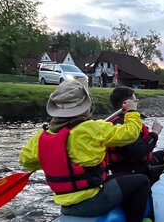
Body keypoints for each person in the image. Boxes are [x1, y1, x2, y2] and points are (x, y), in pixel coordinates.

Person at [19, 80, 150, 222]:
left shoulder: (42, 136)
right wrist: (131, 112)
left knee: (122, 176)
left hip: (66, 205)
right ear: (85, 107)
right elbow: (130, 134)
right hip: (92, 201)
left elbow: (26, 161)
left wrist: (52, 158)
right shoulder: (90, 129)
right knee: (142, 181)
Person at [107, 86, 164, 184]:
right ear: (127, 103)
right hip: (134, 173)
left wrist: (150, 138)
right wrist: (155, 133)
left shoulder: (126, 121)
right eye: (135, 101)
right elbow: (139, 152)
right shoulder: (122, 125)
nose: (137, 104)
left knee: (162, 155)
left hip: (137, 164)